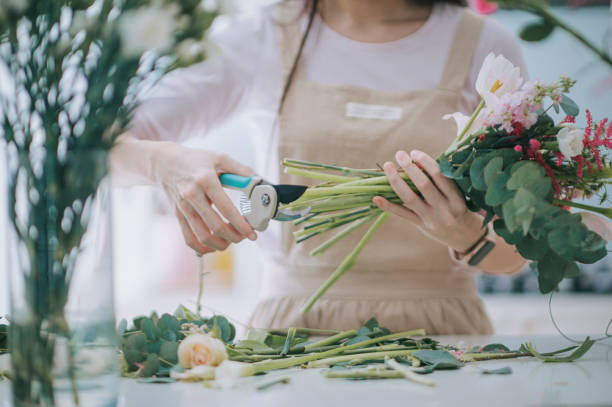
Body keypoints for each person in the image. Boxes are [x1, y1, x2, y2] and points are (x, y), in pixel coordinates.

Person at [111, 0, 528, 334]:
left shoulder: (485, 44)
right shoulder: (263, 34)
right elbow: (102, 149)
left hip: (443, 335)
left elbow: (521, 253)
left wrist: (469, 237)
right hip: (295, 334)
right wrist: (164, 163)